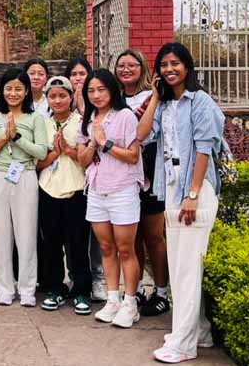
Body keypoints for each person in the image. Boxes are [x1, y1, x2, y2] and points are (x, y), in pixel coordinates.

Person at [136, 43, 224, 364]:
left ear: (187, 66)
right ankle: (200, 332)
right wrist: (155, 97)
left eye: (175, 63)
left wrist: (193, 195)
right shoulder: (166, 105)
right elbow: (141, 135)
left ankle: (183, 344)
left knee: (186, 270)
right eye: (163, 65)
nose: (169, 69)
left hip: (194, 192)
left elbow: (204, 149)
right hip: (172, 190)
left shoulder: (200, 102)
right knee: (182, 267)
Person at [78, 69, 145, 328]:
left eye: (101, 89)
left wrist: (105, 144)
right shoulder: (88, 119)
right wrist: (93, 143)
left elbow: (133, 156)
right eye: (91, 91)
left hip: (122, 189)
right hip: (97, 190)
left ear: (112, 90)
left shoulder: (125, 116)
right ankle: (113, 299)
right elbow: (83, 160)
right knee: (106, 248)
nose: (96, 95)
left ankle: (130, 303)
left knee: (125, 249)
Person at [0, 68, 49, 307]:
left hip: (26, 175)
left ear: (27, 91)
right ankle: (4, 288)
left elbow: (42, 152)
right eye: (8, 88)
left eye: (18, 89)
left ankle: (27, 289)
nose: (13, 93)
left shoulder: (35, 118)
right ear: (2, 90)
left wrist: (17, 137)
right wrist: (4, 137)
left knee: (26, 235)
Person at [115, 49, 171, 318]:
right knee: (131, 236)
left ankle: (161, 293)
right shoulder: (113, 98)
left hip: (149, 164)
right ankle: (134, 289)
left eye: (132, 65)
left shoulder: (154, 96)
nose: (126, 69)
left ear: (142, 68)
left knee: (154, 235)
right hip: (122, 169)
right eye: (121, 65)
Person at [36, 76, 92, 315]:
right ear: (47, 99)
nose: (57, 100)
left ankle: (81, 290)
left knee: (77, 243)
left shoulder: (82, 123)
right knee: (51, 242)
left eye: (62, 95)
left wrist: (67, 150)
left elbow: (88, 159)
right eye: (52, 96)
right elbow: (36, 162)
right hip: (48, 188)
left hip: (76, 189)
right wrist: (53, 154)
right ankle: (55, 288)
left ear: (71, 97)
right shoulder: (41, 123)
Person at [64, 56, 107, 301]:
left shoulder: (97, 107)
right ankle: (76, 276)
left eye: (82, 74)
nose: (78, 79)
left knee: (97, 234)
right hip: (72, 181)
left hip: (96, 179)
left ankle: (99, 278)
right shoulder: (61, 104)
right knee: (74, 235)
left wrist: (83, 106)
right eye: (74, 74)